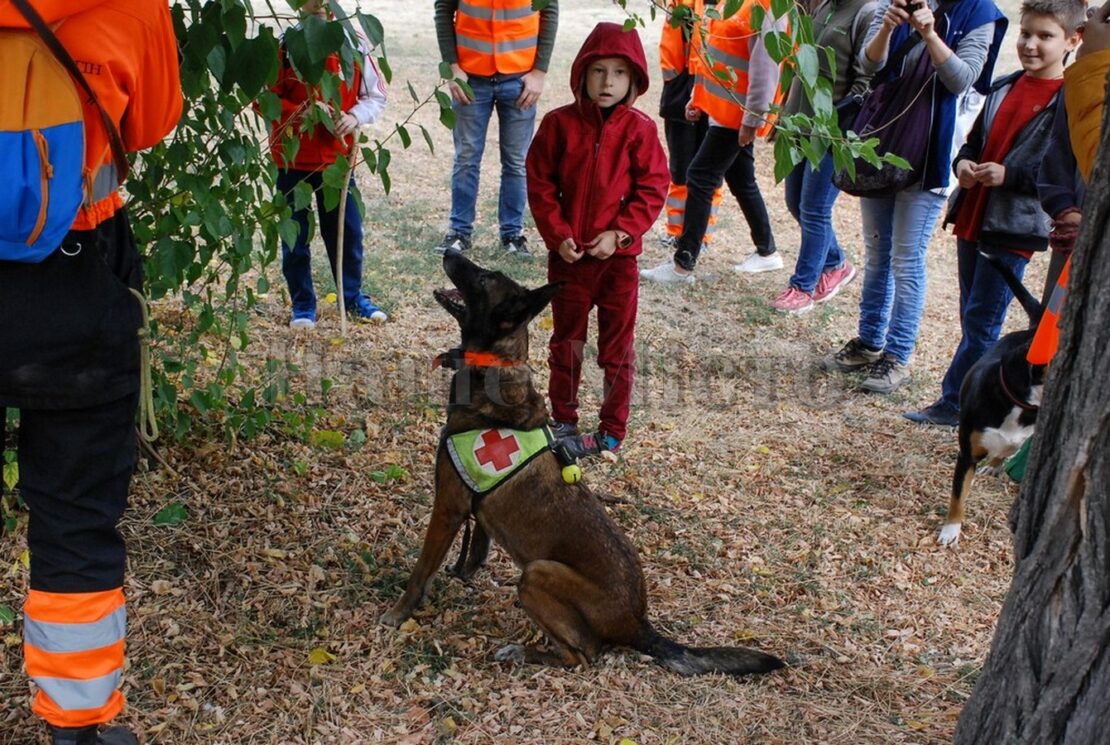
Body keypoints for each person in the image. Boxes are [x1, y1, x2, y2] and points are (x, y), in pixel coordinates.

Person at [0, 1, 182, 743]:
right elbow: (150, 122)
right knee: (74, 513)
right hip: (75, 278)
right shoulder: (131, 4)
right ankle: (75, 723)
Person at [904, 0, 1083, 427]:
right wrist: (963, 165)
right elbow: (972, 143)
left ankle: (958, 404)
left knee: (983, 321)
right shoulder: (1004, 85)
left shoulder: (1068, 101)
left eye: (1045, 36)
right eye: (1026, 33)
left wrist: (1010, 175)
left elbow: (1059, 171)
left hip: (1014, 229)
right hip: (974, 216)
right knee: (973, 315)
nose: (1031, 44)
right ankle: (976, 400)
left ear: (1073, 40)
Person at [820, 0, 1008, 394]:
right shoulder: (896, 4)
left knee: (906, 260)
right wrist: (887, 28)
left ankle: (898, 355)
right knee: (877, 254)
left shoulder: (980, 14)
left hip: (930, 155)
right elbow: (869, 68)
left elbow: (964, 79)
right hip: (881, 144)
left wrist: (930, 35)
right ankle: (870, 341)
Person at [526, 22, 669, 457]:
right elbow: (541, 183)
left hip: (617, 264)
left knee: (616, 349)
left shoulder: (640, 130)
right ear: (582, 73)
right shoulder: (558, 125)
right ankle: (564, 420)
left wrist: (621, 235)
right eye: (599, 70)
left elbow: (653, 186)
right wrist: (558, 235)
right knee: (565, 343)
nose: (608, 82)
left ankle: (610, 431)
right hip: (569, 260)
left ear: (635, 80)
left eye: (620, 73)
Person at [640, 0, 785, 285]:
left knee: (700, 176)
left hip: (737, 115)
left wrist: (752, 119)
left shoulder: (767, 7)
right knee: (742, 180)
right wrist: (699, 97)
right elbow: (712, 51)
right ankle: (767, 251)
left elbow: (766, 68)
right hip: (722, 110)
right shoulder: (729, 3)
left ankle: (683, 265)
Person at [270, 0, 389, 330]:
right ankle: (303, 304)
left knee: (346, 231)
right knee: (295, 233)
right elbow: (264, 98)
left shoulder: (353, 42)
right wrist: (298, 112)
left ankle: (351, 296)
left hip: (336, 160)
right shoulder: (284, 43)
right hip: (292, 158)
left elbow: (376, 95)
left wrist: (354, 116)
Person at [770, 0, 879, 314]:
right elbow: (800, 68)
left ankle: (802, 287)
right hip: (800, 128)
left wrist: (836, 124)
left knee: (815, 209)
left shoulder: (866, 12)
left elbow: (864, 81)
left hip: (831, 133)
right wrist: (785, 117)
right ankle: (836, 263)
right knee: (796, 203)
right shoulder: (823, 6)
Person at [433, 0, 559, 258]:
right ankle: (459, 233)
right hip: (470, 77)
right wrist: (453, 68)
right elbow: (443, 9)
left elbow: (550, 10)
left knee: (516, 161)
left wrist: (539, 71)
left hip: (520, 79)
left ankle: (512, 235)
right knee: (466, 157)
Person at [657, 0, 724, 254]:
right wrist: (681, 87)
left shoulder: (737, 6)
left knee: (710, 171)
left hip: (719, 92)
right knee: (681, 168)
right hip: (683, 91)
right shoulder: (682, 3)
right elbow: (670, 49)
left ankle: (702, 233)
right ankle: (675, 230)